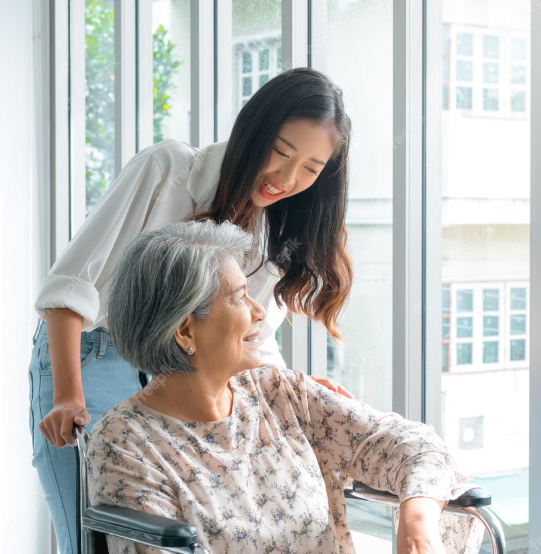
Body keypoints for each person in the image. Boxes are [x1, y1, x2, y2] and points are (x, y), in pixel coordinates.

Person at [29, 67, 355, 554]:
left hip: (187, 381)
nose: (286, 179)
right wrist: (66, 395)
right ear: (253, 130)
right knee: (97, 537)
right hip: (94, 356)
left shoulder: (270, 234)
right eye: (281, 151)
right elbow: (70, 287)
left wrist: (296, 393)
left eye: (310, 168)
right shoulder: (168, 169)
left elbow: (254, 340)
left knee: (187, 534)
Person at [87, 219, 482, 554]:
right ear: (186, 329)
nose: (259, 311)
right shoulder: (125, 443)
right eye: (241, 297)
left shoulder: (279, 393)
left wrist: (416, 521)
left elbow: (414, 444)